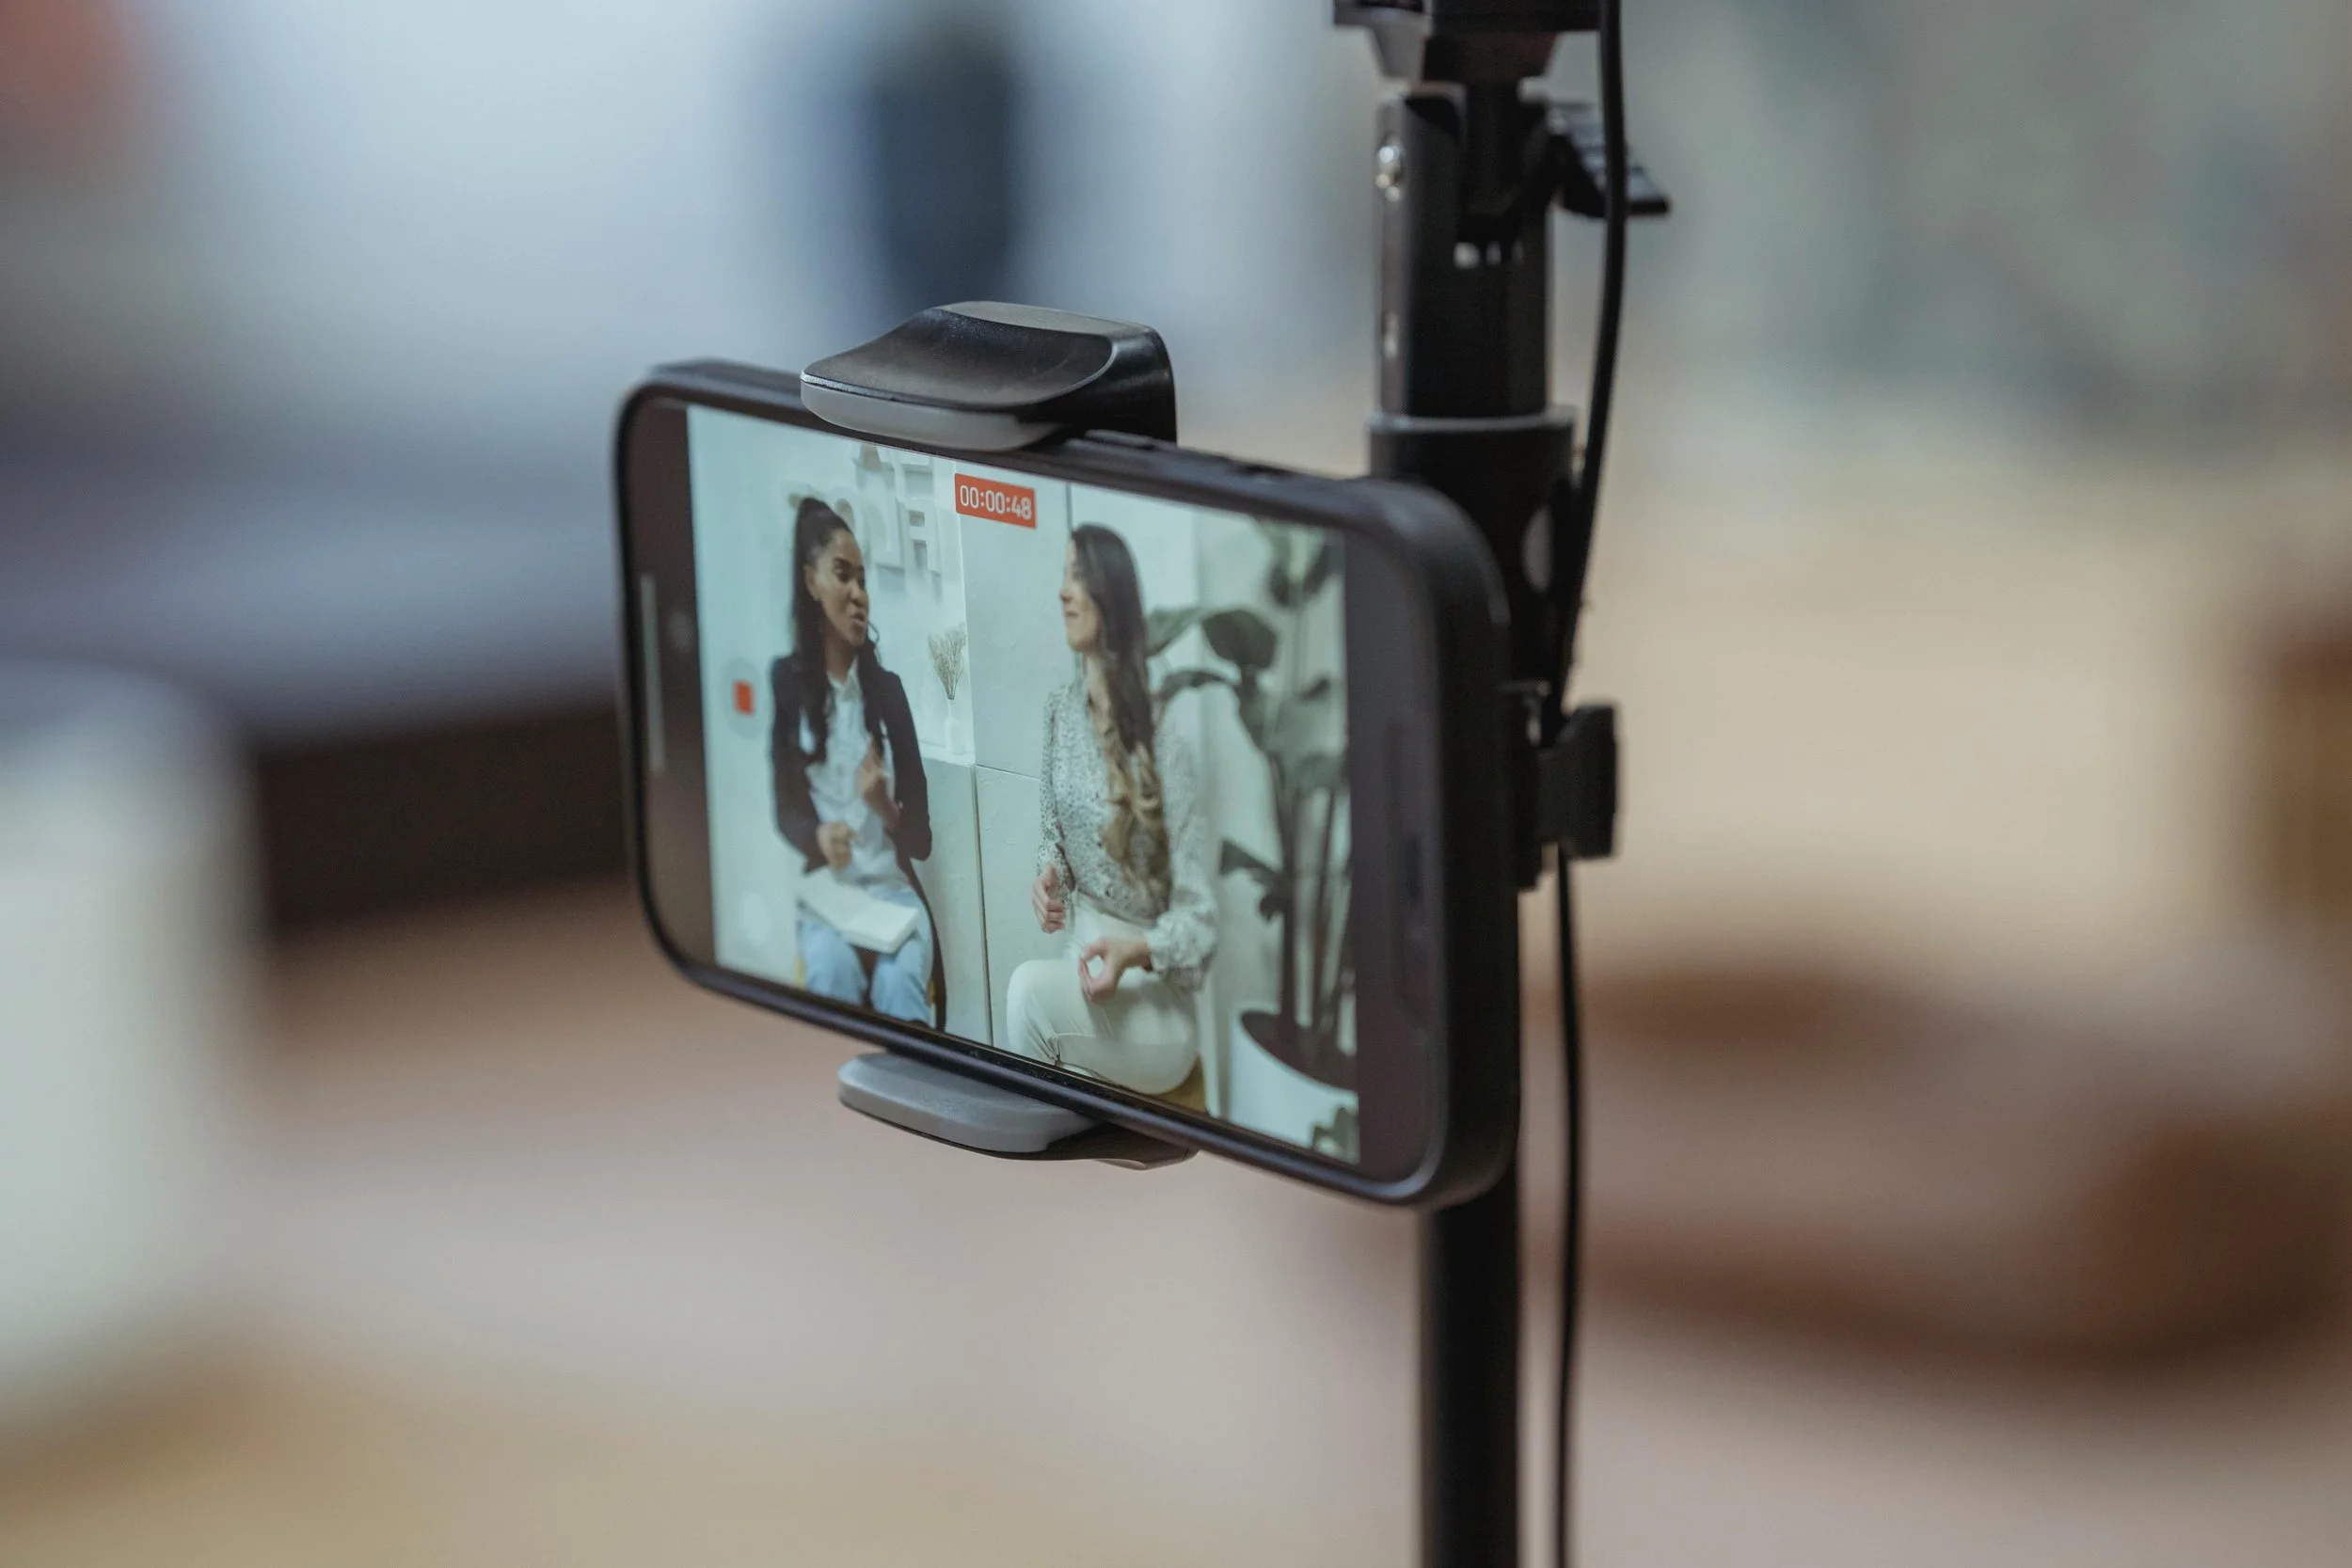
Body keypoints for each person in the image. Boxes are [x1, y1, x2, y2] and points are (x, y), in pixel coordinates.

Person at [1007, 525, 1215, 1094]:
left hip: (1155, 1001)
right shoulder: (1059, 713)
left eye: (1078, 576)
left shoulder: (1163, 736)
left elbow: (1201, 923)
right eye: (1064, 576)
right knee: (1042, 1026)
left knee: (1027, 996)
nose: (1063, 592)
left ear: (1111, 594)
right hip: (1089, 967)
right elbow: (1054, 836)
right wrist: (1049, 879)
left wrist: (1136, 950)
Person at [771, 498, 936, 1024]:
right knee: (830, 972)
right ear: (811, 582)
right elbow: (785, 807)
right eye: (843, 576)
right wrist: (816, 838)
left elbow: (923, 840)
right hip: (831, 900)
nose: (859, 595)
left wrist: (885, 808)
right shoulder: (788, 685)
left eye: (864, 580)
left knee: (899, 981)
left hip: (893, 897)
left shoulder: (888, 695)